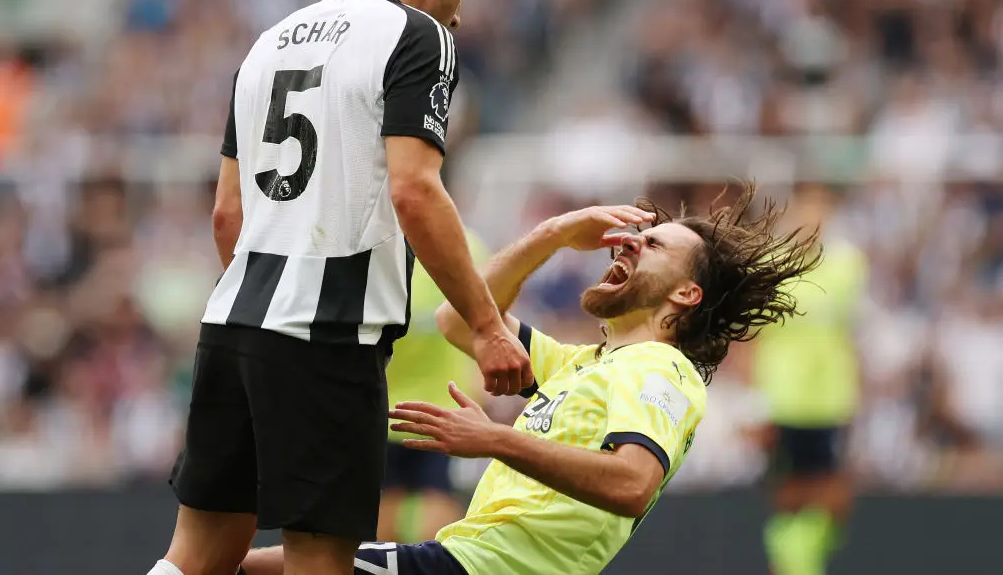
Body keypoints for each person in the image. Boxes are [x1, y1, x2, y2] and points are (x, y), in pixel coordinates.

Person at [146, 0, 533, 575]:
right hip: (328, 334)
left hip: (234, 323)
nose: (461, 12)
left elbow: (226, 216)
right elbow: (415, 188)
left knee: (197, 556)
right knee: (321, 560)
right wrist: (488, 326)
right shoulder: (418, 35)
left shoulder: (270, 41)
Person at [240, 185, 822, 575]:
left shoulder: (662, 369)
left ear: (686, 294)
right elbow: (460, 319)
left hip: (489, 568)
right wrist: (555, 234)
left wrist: (494, 439)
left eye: (653, 245)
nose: (628, 242)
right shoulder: (584, 364)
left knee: (261, 567)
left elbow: (631, 483)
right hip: (466, 557)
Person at [752, 183, 868, 575]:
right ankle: (790, 564)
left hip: (832, 396)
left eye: (823, 206)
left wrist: (858, 391)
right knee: (788, 491)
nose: (814, 215)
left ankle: (799, 558)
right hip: (783, 396)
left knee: (835, 493)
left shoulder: (848, 264)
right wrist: (754, 397)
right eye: (807, 205)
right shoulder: (770, 264)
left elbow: (851, 333)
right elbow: (752, 334)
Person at [378, 230, 488, 543]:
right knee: (438, 499)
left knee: (386, 502)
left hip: (385, 409)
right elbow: (493, 316)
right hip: (447, 411)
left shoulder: (375, 245)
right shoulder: (467, 247)